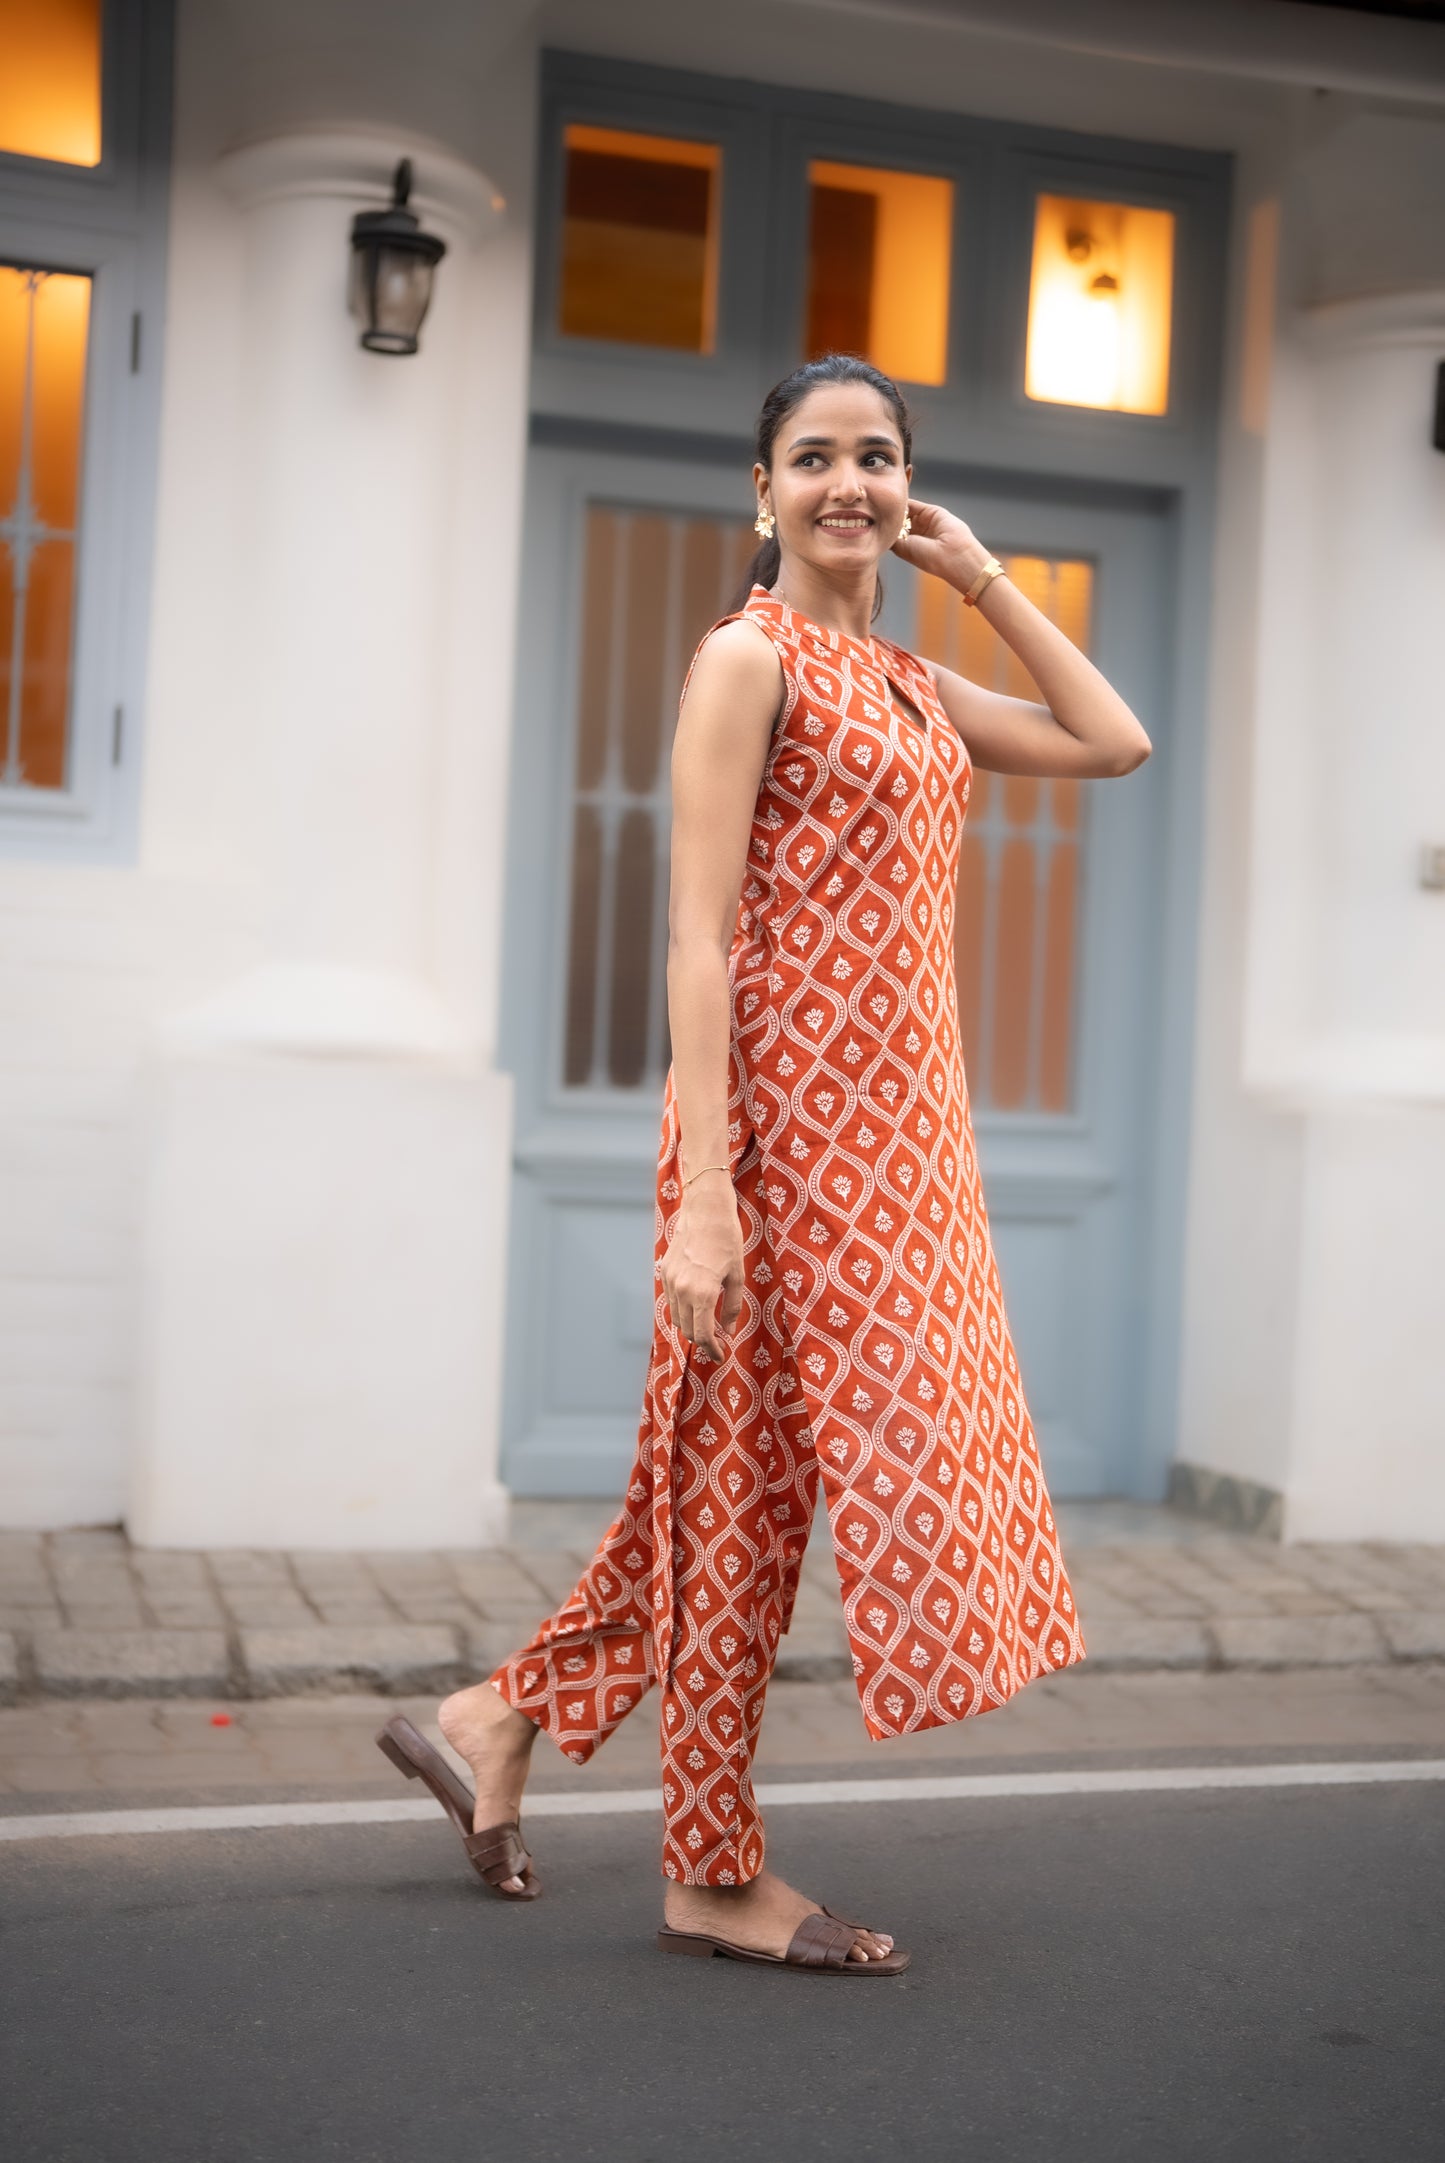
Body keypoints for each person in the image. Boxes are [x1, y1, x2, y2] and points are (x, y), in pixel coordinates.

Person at [376, 352, 1152, 1976]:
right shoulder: (747, 661)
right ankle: (708, 1870)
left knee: (736, 1483)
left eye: (877, 458)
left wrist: (984, 576)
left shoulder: (916, 686)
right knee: (736, 1496)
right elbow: (697, 937)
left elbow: (1112, 741)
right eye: (814, 458)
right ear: (764, 491)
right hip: (778, 1145)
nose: (847, 484)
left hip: (901, 1147)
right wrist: (712, 1195)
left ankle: (494, 1717)